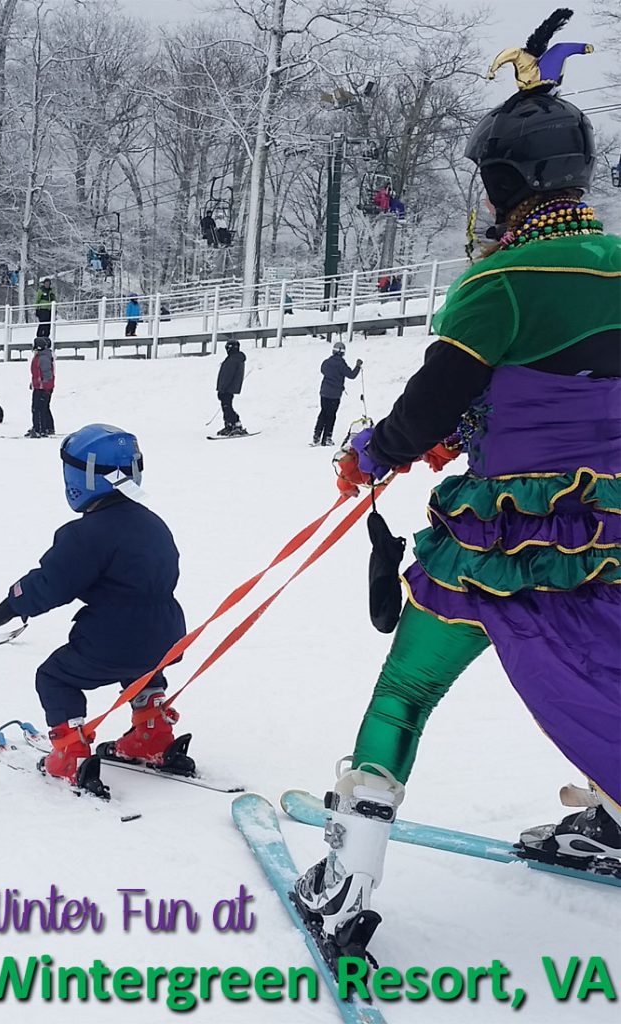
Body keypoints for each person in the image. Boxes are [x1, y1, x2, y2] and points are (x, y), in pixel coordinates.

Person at [294, 17, 621, 965]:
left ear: (506, 184)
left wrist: (371, 455)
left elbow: (422, 411)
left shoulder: (501, 280)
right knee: (610, 675)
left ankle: (347, 880)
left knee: (407, 689)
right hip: (612, 521)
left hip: (503, 537)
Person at [0, 424, 187, 796]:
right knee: (143, 670)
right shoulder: (152, 522)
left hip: (112, 639)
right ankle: (152, 732)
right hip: (167, 635)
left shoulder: (86, 533)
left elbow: (53, 582)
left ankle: (70, 754)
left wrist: (16, 600)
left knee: (55, 677)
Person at [312, 341, 362, 447]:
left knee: (323, 413)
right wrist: (357, 366)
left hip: (324, 392)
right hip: (334, 394)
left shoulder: (327, 362)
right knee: (331, 415)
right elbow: (351, 375)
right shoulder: (341, 364)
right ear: (343, 353)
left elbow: (323, 370)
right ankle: (327, 437)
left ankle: (316, 436)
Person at [216, 338, 247, 436]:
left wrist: (222, 388)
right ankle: (229, 425)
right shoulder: (233, 358)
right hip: (227, 387)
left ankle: (235, 423)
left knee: (227, 406)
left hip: (227, 388)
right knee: (226, 406)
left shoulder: (233, 359)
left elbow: (228, 375)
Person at [27, 337, 55, 438]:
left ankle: (39, 429)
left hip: (42, 388)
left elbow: (47, 374)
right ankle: (46, 427)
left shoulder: (43, 358)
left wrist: (42, 384)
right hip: (40, 386)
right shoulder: (42, 356)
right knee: (43, 408)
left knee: (37, 408)